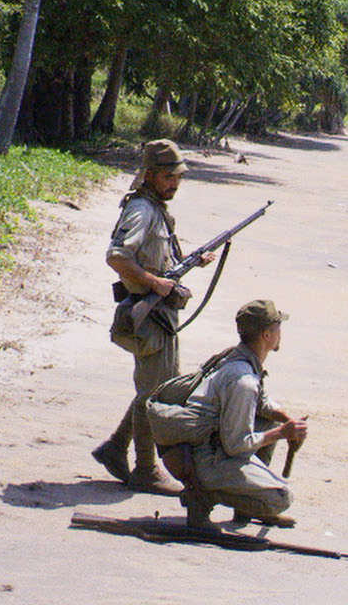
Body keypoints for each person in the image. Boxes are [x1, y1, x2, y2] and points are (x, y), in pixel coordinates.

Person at [91, 138, 209, 495]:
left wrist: (186, 264)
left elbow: (155, 259)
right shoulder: (142, 211)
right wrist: (155, 282)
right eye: (169, 177)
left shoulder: (156, 208)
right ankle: (145, 469)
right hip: (146, 315)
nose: (175, 183)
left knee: (157, 388)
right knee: (153, 395)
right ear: (150, 175)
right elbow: (116, 257)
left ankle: (115, 447)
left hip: (159, 315)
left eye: (178, 177)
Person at [165, 299, 308, 528]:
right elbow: (236, 445)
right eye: (277, 327)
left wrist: (285, 419)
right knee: (280, 498)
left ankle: (245, 506)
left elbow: (261, 402)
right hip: (202, 460)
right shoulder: (243, 381)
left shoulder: (237, 357)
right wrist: (283, 433)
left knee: (267, 421)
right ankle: (202, 497)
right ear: (266, 335)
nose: (281, 332)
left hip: (197, 447)